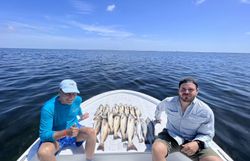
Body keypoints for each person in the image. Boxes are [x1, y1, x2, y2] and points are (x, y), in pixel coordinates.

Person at [152, 77, 222, 161]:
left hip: (193, 140)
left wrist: (197, 143)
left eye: (190, 89)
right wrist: (157, 118)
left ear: (197, 91)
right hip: (170, 136)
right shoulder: (168, 102)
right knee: (157, 149)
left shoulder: (205, 111)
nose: (186, 92)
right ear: (179, 90)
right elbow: (159, 108)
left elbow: (208, 134)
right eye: (183, 89)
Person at [38, 79, 96, 161]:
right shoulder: (48, 108)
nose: (71, 97)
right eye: (68, 93)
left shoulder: (77, 99)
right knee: (44, 153)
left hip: (75, 131)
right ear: (60, 92)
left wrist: (81, 115)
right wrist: (66, 132)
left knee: (91, 132)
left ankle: (89, 159)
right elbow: (44, 136)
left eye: (74, 93)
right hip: (56, 137)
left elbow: (77, 108)